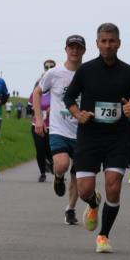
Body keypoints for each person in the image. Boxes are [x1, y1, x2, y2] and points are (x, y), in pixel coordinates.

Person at [63, 23, 130, 253]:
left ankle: (103, 236)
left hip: (117, 138)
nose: (108, 45)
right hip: (89, 137)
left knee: (114, 186)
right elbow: (69, 97)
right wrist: (77, 113)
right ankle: (93, 203)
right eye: (104, 41)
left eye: (112, 41)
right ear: (97, 43)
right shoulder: (86, 71)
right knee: (84, 189)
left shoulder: (129, 73)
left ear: (119, 43)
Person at [32, 35, 86, 225]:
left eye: (78, 48)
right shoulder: (54, 73)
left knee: (79, 176)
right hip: (59, 129)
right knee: (62, 164)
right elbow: (37, 93)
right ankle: (58, 175)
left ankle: (70, 209)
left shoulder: (88, 73)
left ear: (84, 51)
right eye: (71, 47)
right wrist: (39, 119)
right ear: (66, 50)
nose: (75, 51)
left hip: (83, 133)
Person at [31, 59, 56, 181]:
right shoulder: (38, 83)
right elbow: (31, 102)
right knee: (40, 149)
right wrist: (38, 112)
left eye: (52, 66)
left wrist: (55, 107)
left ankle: (54, 167)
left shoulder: (58, 82)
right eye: (47, 67)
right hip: (38, 123)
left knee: (50, 149)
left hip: (54, 125)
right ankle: (42, 173)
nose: (49, 69)